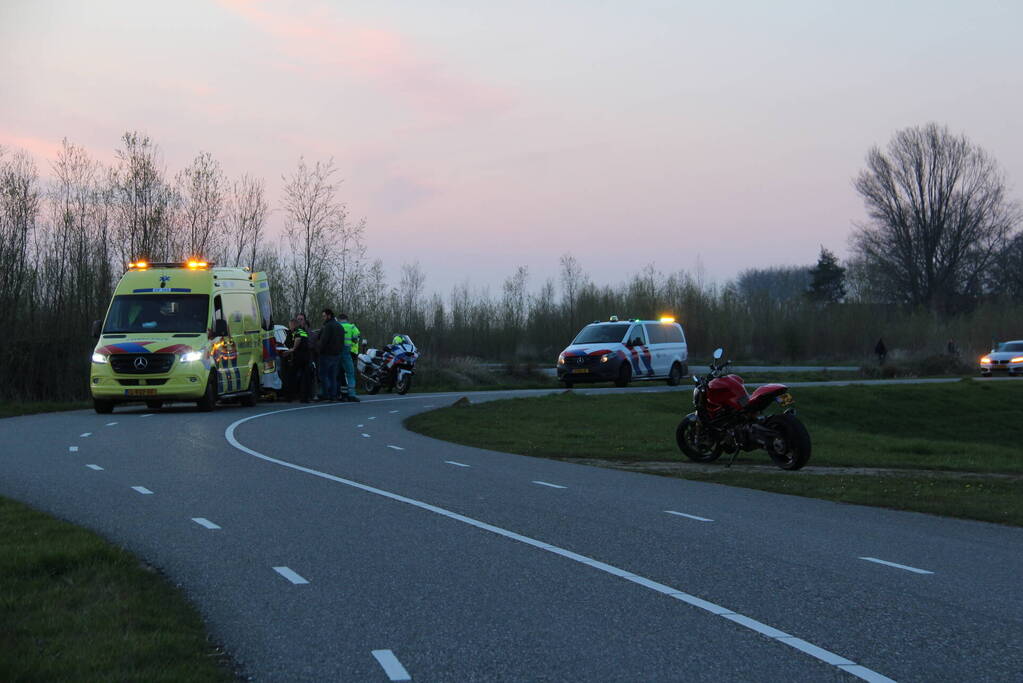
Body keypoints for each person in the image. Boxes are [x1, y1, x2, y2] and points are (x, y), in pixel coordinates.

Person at [317, 308, 344, 402]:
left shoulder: (328, 326)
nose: (323, 318)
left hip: (326, 355)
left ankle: (326, 394)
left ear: (329, 316)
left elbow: (323, 341)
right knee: (333, 376)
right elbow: (342, 341)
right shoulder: (339, 326)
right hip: (337, 355)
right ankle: (333, 395)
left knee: (323, 375)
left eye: (324, 316)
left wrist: (318, 350)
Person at [337, 312, 361, 402]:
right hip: (347, 352)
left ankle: (342, 395)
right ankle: (351, 395)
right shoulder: (352, 327)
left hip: (337, 353)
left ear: (339, 319)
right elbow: (356, 337)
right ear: (347, 319)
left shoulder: (337, 326)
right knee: (350, 374)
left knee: (340, 374)